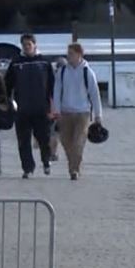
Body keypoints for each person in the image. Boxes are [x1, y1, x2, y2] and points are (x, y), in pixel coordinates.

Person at [4, 33, 55, 178]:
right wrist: (7, 102)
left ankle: (46, 161)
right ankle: (27, 168)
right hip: (22, 109)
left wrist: (53, 106)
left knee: (44, 138)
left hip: (41, 108)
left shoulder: (44, 62)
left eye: (29, 44)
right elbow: (8, 85)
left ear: (34, 45)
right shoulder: (16, 63)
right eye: (24, 45)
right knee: (23, 140)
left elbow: (52, 86)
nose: (27, 47)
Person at [51, 42, 102, 181]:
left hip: (83, 113)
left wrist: (98, 115)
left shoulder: (87, 72)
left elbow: (94, 94)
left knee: (78, 142)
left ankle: (75, 170)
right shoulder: (62, 72)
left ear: (79, 54)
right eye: (68, 54)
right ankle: (72, 164)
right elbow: (57, 92)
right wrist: (56, 111)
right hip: (65, 112)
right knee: (66, 142)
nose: (68, 56)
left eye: (71, 54)